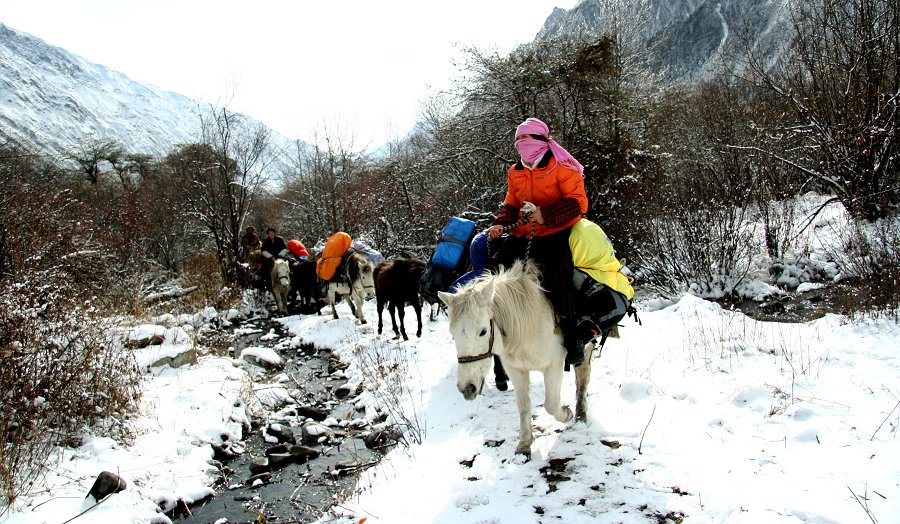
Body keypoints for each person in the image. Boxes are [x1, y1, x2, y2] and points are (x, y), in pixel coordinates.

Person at [486, 117, 589, 368]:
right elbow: (511, 203)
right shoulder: (516, 172)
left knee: (557, 279)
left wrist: (546, 214)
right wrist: (501, 223)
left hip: (557, 233)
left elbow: (578, 203)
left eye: (527, 138)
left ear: (542, 141)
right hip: (524, 233)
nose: (522, 144)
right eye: (518, 140)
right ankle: (499, 330)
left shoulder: (562, 167)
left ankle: (573, 336)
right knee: (495, 270)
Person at [449, 231, 511, 391]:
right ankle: (502, 373)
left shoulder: (467, 281)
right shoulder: (503, 281)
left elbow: (453, 289)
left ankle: (499, 375)